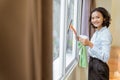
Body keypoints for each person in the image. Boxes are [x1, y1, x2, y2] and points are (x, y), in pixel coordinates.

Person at [78, 7, 112, 80]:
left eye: (97, 17)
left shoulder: (105, 33)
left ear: (104, 18)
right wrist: (84, 42)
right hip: (93, 65)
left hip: (99, 67)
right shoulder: (97, 32)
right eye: (92, 18)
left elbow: (105, 57)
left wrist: (89, 44)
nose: (94, 20)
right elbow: (92, 50)